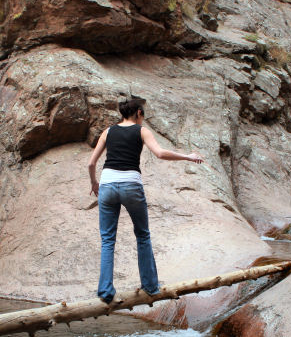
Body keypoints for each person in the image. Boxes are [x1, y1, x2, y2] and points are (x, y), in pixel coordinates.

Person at [87, 97, 204, 304]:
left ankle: (105, 291)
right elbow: (160, 153)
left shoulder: (108, 131)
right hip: (131, 185)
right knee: (142, 235)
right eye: (143, 116)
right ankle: (150, 286)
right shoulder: (141, 131)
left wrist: (94, 183)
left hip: (107, 184)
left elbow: (91, 163)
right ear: (138, 113)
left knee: (107, 239)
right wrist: (188, 156)